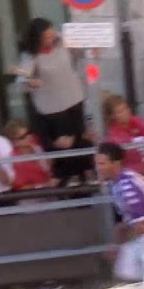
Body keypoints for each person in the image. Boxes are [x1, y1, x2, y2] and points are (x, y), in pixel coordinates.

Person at [14, 17, 91, 185]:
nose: (52, 38)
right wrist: (30, 82)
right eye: (47, 37)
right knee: (64, 149)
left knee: (80, 144)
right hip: (54, 111)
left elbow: (81, 52)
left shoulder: (62, 42)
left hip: (75, 101)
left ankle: (84, 184)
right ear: (37, 39)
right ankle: (68, 187)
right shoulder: (30, 56)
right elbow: (20, 81)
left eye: (52, 34)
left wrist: (91, 50)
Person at [96, 141, 144, 283]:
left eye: (102, 164)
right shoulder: (118, 182)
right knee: (127, 274)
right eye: (98, 163)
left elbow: (143, 225)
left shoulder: (127, 187)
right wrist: (119, 243)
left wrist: (119, 244)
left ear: (116, 163)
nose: (98, 168)